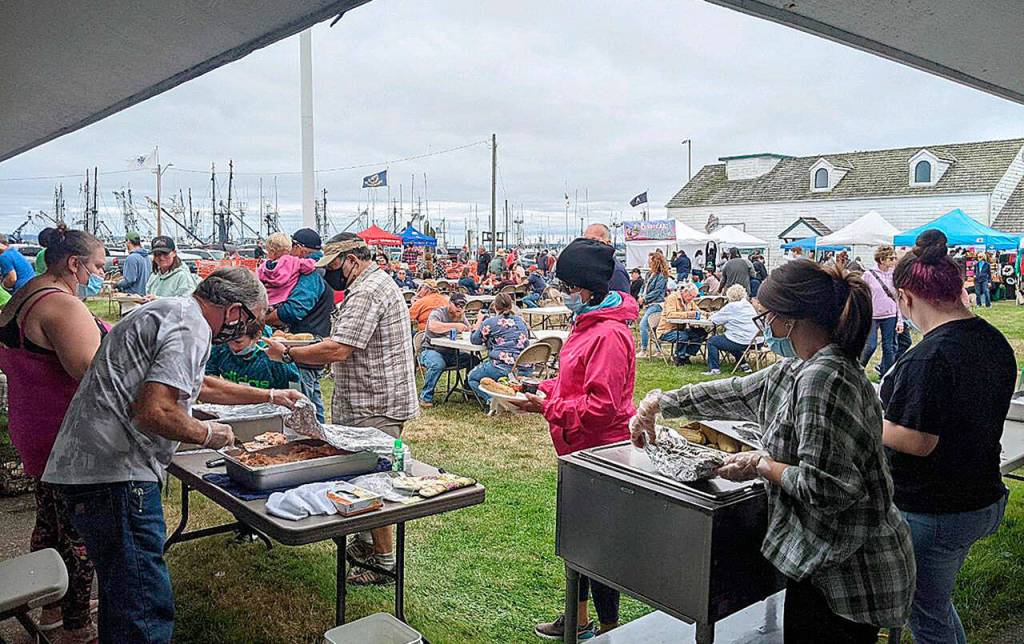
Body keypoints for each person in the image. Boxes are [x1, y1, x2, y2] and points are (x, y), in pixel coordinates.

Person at [630, 259, 916, 644]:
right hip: (823, 565)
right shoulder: (800, 366)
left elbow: (827, 489)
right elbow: (734, 392)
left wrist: (762, 465)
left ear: (789, 320)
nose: (763, 325)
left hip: (850, 574)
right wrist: (660, 403)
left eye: (765, 316)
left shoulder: (823, 378)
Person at [42, 268, 304, 643]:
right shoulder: (191, 327)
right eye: (253, 321)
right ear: (234, 312)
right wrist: (210, 434)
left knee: (121, 594)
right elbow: (156, 411)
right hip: (116, 473)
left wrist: (270, 396)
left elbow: (201, 384)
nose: (250, 331)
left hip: (89, 467)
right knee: (143, 606)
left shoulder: (173, 311)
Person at [881, 230, 1014, 644]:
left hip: (937, 508)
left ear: (905, 297)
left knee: (926, 614)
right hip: (981, 493)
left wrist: (865, 415)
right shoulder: (993, 340)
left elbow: (919, 441)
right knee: (934, 604)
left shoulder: (929, 356)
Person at [265, 233, 418, 585]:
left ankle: (384, 562)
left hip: (375, 400)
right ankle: (366, 546)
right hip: (370, 396)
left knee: (376, 479)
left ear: (350, 259)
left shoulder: (366, 291)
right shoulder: (370, 284)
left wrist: (287, 352)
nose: (327, 273)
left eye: (331, 265)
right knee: (360, 477)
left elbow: (338, 349)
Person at [511, 238, 637, 640]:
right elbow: (576, 381)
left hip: (601, 452)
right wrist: (547, 388)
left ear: (588, 289)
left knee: (598, 548)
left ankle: (609, 629)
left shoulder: (609, 335)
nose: (564, 294)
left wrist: (547, 408)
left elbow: (602, 406)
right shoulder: (587, 324)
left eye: (568, 287)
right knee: (578, 540)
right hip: (576, 450)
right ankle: (577, 617)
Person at [0, 225, 108, 643]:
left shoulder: (22, 296)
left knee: (50, 522)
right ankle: (77, 628)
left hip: (34, 427)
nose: (100, 273)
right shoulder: (61, 306)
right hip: (68, 436)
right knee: (81, 533)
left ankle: (51, 607)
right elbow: (92, 373)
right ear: (74, 264)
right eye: (97, 266)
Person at [265, 229, 334, 422]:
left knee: (303, 405)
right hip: (315, 341)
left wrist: (263, 318)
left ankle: (315, 441)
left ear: (299, 248)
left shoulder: (311, 274)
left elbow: (293, 311)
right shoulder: (320, 268)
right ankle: (321, 437)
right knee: (314, 398)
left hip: (303, 347)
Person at [467, 293, 530, 402]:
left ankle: (494, 401)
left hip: (502, 367)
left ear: (495, 307)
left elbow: (475, 340)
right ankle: (506, 396)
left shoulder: (490, 322)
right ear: (511, 306)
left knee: (472, 378)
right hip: (524, 367)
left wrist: (478, 322)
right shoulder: (521, 321)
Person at [418, 293, 478, 408]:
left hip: (451, 352)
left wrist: (476, 324)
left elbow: (468, 330)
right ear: (450, 303)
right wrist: (454, 326)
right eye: (457, 305)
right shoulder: (438, 313)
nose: (460, 308)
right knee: (437, 364)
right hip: (430, 349)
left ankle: (468, 389)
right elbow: (433, 326)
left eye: (463, 306)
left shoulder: (461, 315)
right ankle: (425, 397)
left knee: (474, 360)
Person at [205, 324, 301, 390]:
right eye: (228, 340)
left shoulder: (274, 358)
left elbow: (294, 388)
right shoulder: (221, 350)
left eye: (238, 342)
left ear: (256, 336)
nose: (232, 346)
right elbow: (208, 374)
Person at [859, 245, 903, 375]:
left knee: (889, 347)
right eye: (891, 258)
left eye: (895, 257)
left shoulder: (894, 275)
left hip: (890, 314)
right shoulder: (868, 275)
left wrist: (900, 320)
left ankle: (887, 375)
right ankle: (859, 369)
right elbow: (861, 292)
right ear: (882, 260)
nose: (894, 260)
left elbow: (898, 298)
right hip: (873, 315)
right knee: (870, 345)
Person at [702, 284, 757, 375]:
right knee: (730, 339)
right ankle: (744, 365)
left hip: (740, 340)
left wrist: (711, 315)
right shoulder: (748, 305)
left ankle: (714, 369)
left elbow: (715, 320)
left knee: (712, 341)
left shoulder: (731, 306)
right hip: (754, 341)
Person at [258, 233, 317, 306]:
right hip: (284, 301)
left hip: (267, 301)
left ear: (272, 252)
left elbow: (257, 281)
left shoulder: (263, 267)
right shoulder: (294, 261)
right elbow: (311, 266)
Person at [657, 283, 707, 365]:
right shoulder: (672, 298)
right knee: (683, 336)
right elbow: (670, 314)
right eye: (691, 296)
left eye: (694, 297)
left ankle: (686, 355)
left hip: (681, 329)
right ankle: (679, 357)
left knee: (701, 333)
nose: (692, 299)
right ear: (685, 292)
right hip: (666, 330)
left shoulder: (689, 301)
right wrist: (688, 314)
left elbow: (698, 311)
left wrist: (707, 314)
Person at [638, 252, 670, 356]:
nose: (648, 262)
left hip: (657, 304)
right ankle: (659, 349)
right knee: (654, 327)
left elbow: (657, 291)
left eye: (650, 260)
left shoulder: (661, 276)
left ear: (655, 261)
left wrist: (645, 298)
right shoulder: (649, 274)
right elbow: (644, 286)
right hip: (649, 303)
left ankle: (643, 350)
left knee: (643, 325)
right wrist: (640, 296)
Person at [583, 223, 630, 293]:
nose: (588, 245)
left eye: (594, 240)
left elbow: (622, 302)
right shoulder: (594, 267)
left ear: (608, 243)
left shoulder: (615, 271)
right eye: (585, 241)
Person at [115, 231, 151, 296]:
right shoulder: (147, 257)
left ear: (128, 241)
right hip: (145, 296)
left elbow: (129, 280)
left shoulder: (131, 258)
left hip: (133, 297)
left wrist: (117, 284)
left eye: (125, 242)